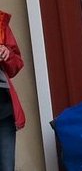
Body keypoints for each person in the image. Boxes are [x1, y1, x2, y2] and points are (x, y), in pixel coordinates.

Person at [0, 10, 25, 171]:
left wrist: (7, 54)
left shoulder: (1, 24)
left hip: (4, 113)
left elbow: (16, 66)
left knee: (7, 167)